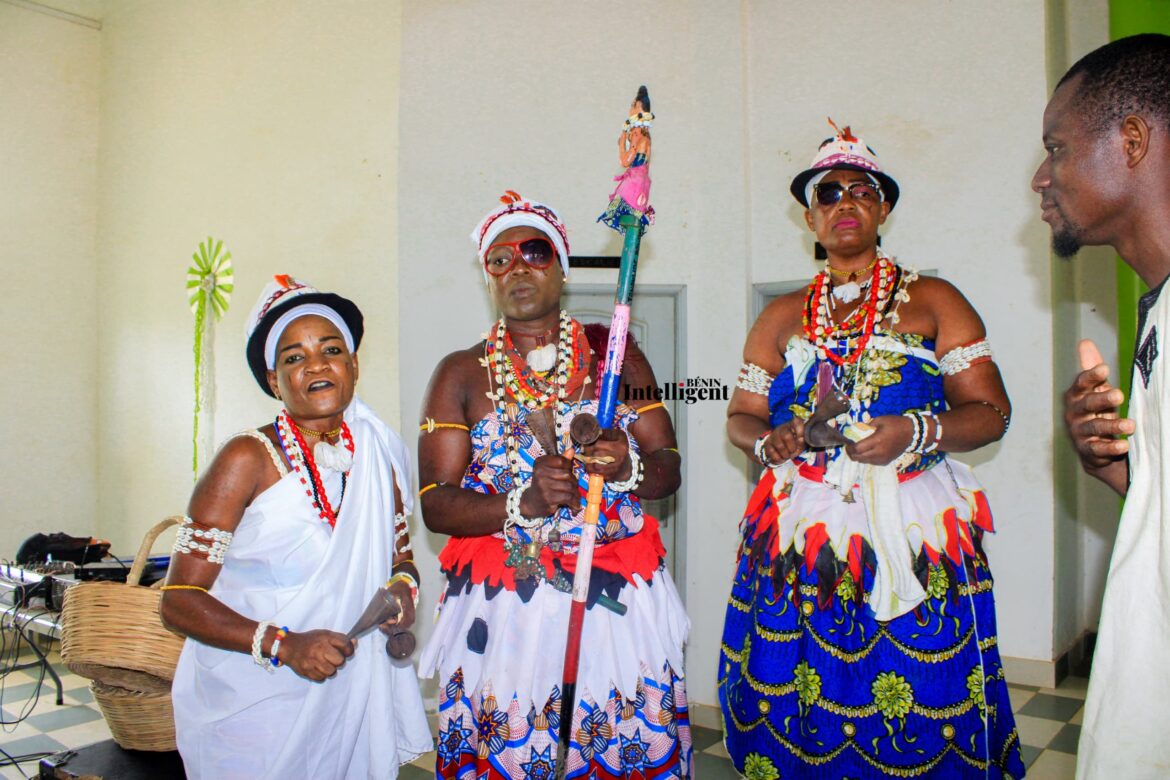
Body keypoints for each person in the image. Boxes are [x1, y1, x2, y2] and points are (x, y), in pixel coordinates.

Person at [717, 122, 1024, 778]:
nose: (845, 202)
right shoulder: (780, 316)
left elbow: (991, 413)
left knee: (923, 687)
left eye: (863, 190)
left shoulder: (936, 301)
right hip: (800, 534)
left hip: (917, 528)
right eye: (829, 193)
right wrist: (771, 441)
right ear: (810, 217)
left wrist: (914, 432)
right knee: (801, 686)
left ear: (884, 209)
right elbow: (739, 419)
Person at [416, 193, 691, 779]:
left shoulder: (619, 359)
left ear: (562, 267)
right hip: (508, 600)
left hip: (615, 599)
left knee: (618, 743)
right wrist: (524, 502)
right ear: (487, 276)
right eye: (500, 259)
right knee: (516, 751)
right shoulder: (461, 372)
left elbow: (668, 465)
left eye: (534, 251)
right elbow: (435, 504)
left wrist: (627, 468)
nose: (518, 268)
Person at [161, 275, 432, 779]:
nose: (316, 365)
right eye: (293, 357)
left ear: (352, 365)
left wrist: (403, 588)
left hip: (350, 686)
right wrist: (284, 644)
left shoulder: (381, 450)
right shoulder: (245, 458)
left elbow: (400, 556)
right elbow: (177, 598)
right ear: (273, 381)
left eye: (331, 349)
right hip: (256, 697)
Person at [1035, 34, 1170, 780]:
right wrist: (1119, 468)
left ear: (1133, 139)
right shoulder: (1157, 312)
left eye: (1056, 147)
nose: (1039, 177)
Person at [598, 86, 655, 232]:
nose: (630, 109)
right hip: (642, 183)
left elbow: (625, 161)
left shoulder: (637, 133)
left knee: (624, 219)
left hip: (634, 185)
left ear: (638, 108)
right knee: (631, 223)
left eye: (633, 105)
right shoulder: (646, 134)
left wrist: (622, 143)